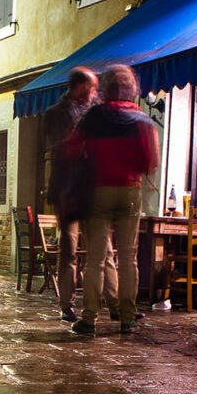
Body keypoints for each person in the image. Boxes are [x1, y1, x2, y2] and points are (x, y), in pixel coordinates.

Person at [70, 64, 159, 334]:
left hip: (98, 191)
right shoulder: (143, 121)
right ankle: (128, 317)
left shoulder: (93, 117)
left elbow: (74, 151)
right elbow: (151, 162)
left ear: (105, 88)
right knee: (129, 257)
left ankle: (89, 318)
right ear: (133, 88)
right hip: (130, 191)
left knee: (97, 258)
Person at [43, 67, 117, 322]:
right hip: (68, 190)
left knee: (105, 248)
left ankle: (115, 303)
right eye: (92, 87)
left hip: (94, 189)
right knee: (70, 248)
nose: (95, 92)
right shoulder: (56, 114)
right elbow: (59, 148)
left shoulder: (97, 113)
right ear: (79, 87)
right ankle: (67, 304)